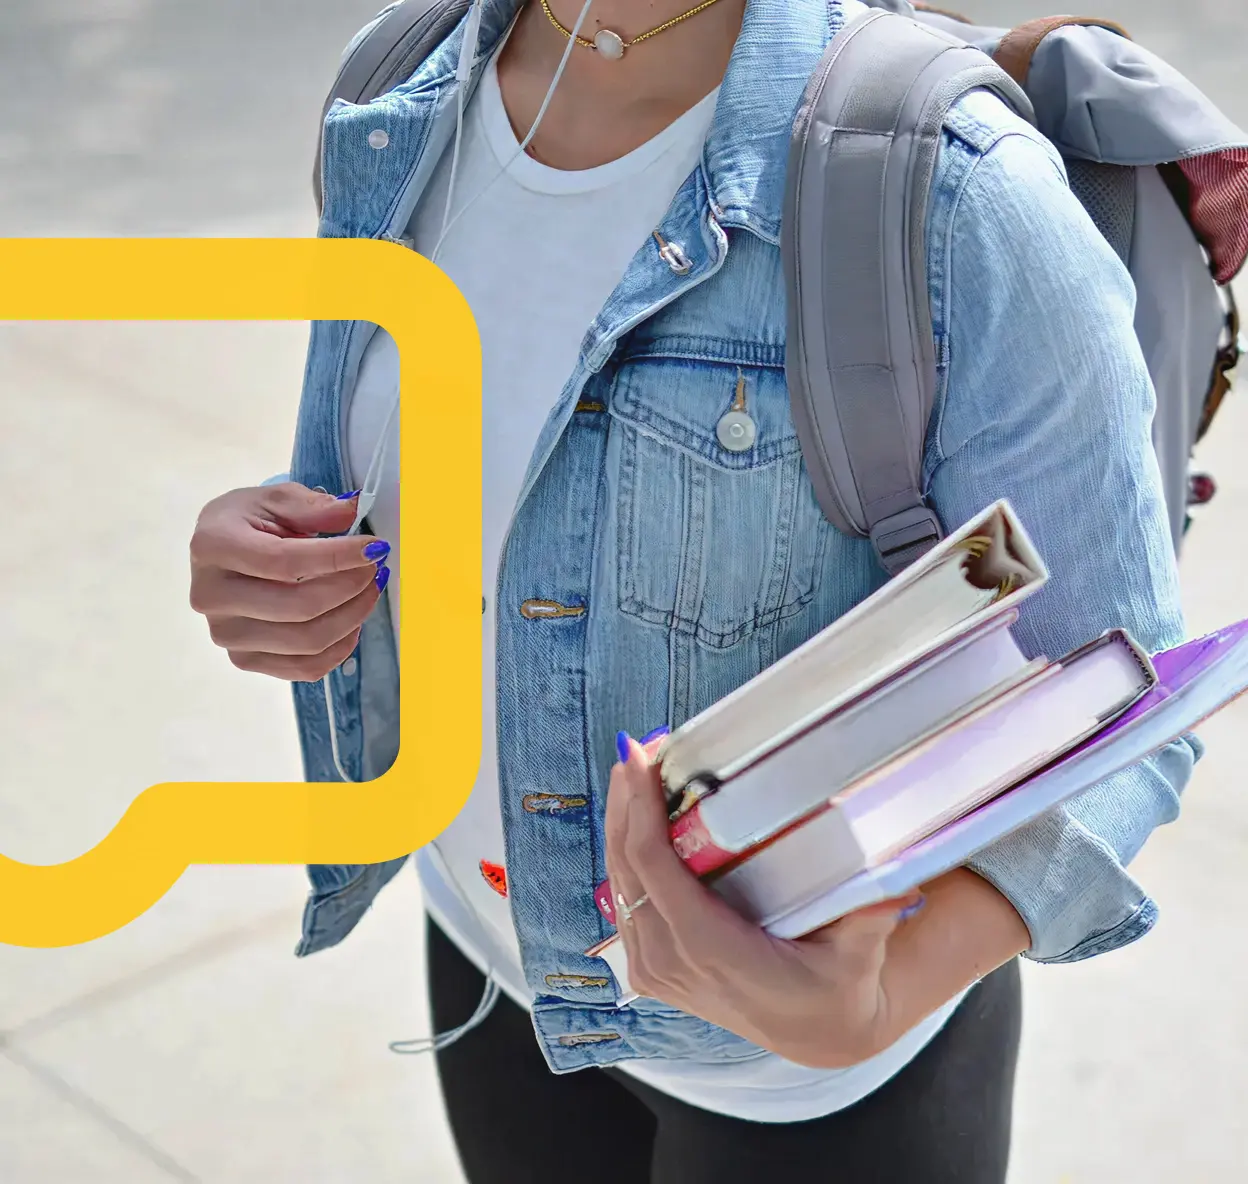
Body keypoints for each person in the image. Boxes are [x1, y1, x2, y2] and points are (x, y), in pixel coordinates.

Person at [188, 1, 1198, 1180]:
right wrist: (279, 548)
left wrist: (878, 998)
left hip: (810, 1083)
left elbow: (1116, 693)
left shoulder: (954, 191)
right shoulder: (398, 87)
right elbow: (469, 466)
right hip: (492, 963)